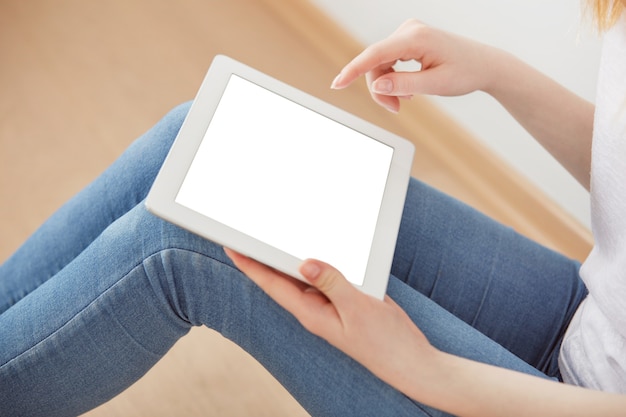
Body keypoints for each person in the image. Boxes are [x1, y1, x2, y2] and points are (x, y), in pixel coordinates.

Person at [1, 0, 624, 415]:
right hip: (587, 315)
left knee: (192, 249)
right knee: (203, 137)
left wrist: (431, 372)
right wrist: (496, 71)